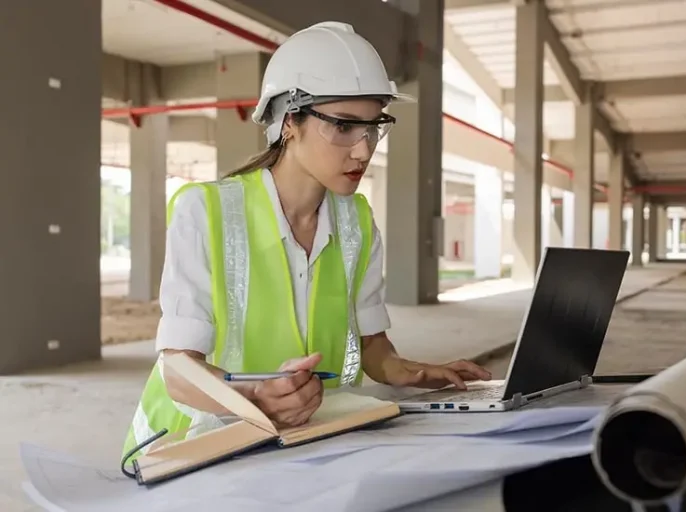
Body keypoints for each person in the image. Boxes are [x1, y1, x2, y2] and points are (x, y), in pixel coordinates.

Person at [122, 21, 491, 460]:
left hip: (309, 440)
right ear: (289, 122)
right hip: (193, 447)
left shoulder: (357, 222)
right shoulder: (205, 213)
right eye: (343, 126)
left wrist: (413, 372)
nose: (364, 149)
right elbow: (177, 370)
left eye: (373, 127)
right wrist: (257, 396)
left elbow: (373, 347)